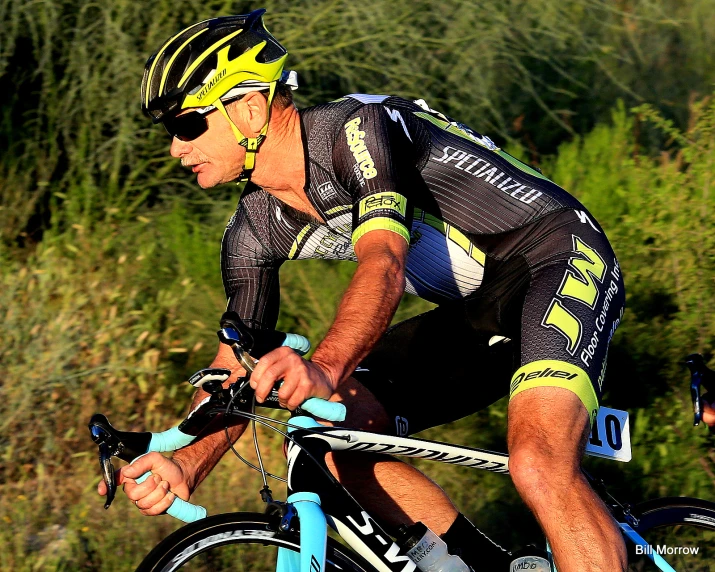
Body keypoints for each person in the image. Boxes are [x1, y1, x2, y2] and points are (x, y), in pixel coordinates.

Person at [97, 9, 693, 570]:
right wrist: (187, 462)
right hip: (479, 309)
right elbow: (236, 363)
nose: (175, 148)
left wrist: (326, 366)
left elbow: (383, 260)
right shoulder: (252, 229)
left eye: (186, 124)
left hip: (555, 257)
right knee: (333, 434)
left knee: (537, 463)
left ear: (249, 109)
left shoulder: (357, 132)